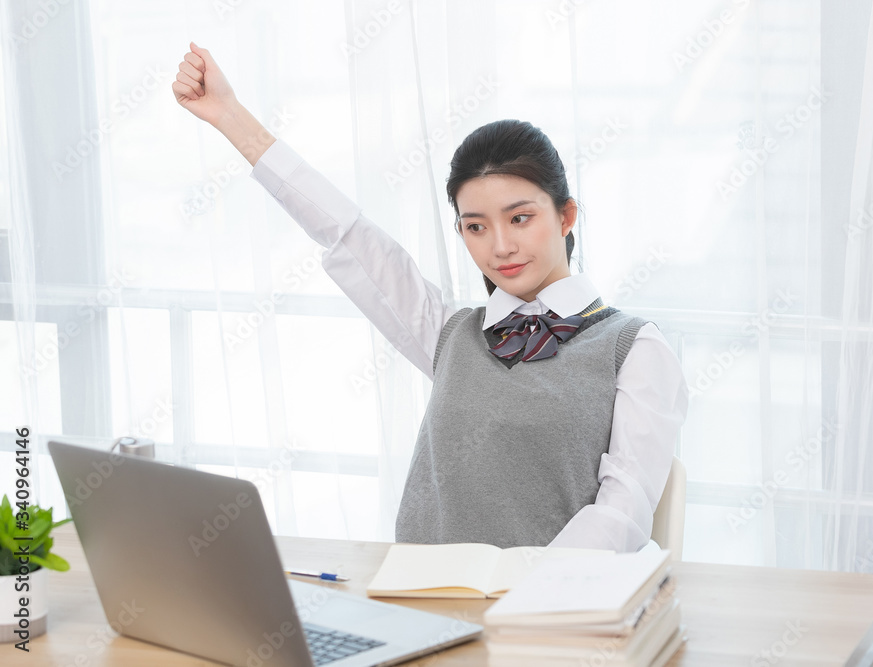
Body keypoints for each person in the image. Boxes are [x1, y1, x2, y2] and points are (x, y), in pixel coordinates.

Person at [172, 42, 688, 553]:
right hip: (423, 605)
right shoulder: (451, 333)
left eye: (520, 218)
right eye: (476, 227)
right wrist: (230, 117)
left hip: (546, 615)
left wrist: (527, 595)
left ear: (567, 216)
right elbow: (348, 235)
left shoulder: (634, 348)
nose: (501, 245)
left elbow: (624, 511)